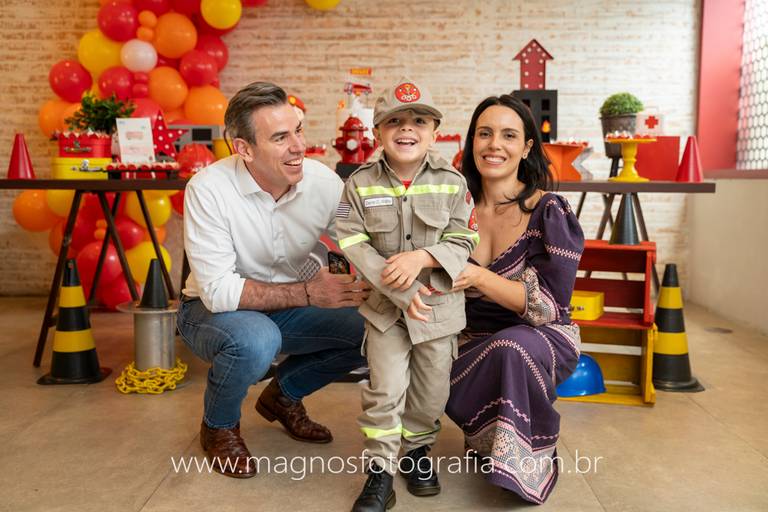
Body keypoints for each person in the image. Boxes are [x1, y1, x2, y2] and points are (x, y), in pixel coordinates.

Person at [178, 81, 369, 479]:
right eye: (280, 138)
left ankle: (284, 396)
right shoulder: (208, 190)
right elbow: (219, 292)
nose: (298, 146)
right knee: (255, 340)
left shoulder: (323, 182)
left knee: (375, 328)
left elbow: (356, 243)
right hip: (211, 313)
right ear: (244, 148)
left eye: (298, 130)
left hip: (291, 306)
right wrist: (309, 292)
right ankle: (219, 426)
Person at [336, 78, 479, 512]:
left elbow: (465, 238)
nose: (407, 128)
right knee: (385, 390)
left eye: (419, 120)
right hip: (384, 311)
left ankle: (416, 453)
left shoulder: (453, 182)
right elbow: (351, 239)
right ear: (377, 131)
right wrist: (394, 287)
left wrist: (422, 258)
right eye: (395, 121)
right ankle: (380, 471)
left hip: (438, 310)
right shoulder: (359, 183)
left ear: (434, 132)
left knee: (430, 392)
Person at [445, 95, 584, 504]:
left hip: (540, 337)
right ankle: (483, 436)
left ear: (526, 148)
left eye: (509, 135)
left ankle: (521, 466)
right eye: (484, 133)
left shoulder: (549, 210)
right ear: (472, 142)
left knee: (511, 346)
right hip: (466, 337)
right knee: (417, 352)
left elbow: (549, 307)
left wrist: (478, 276)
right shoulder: (453, 208)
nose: (494, 144)